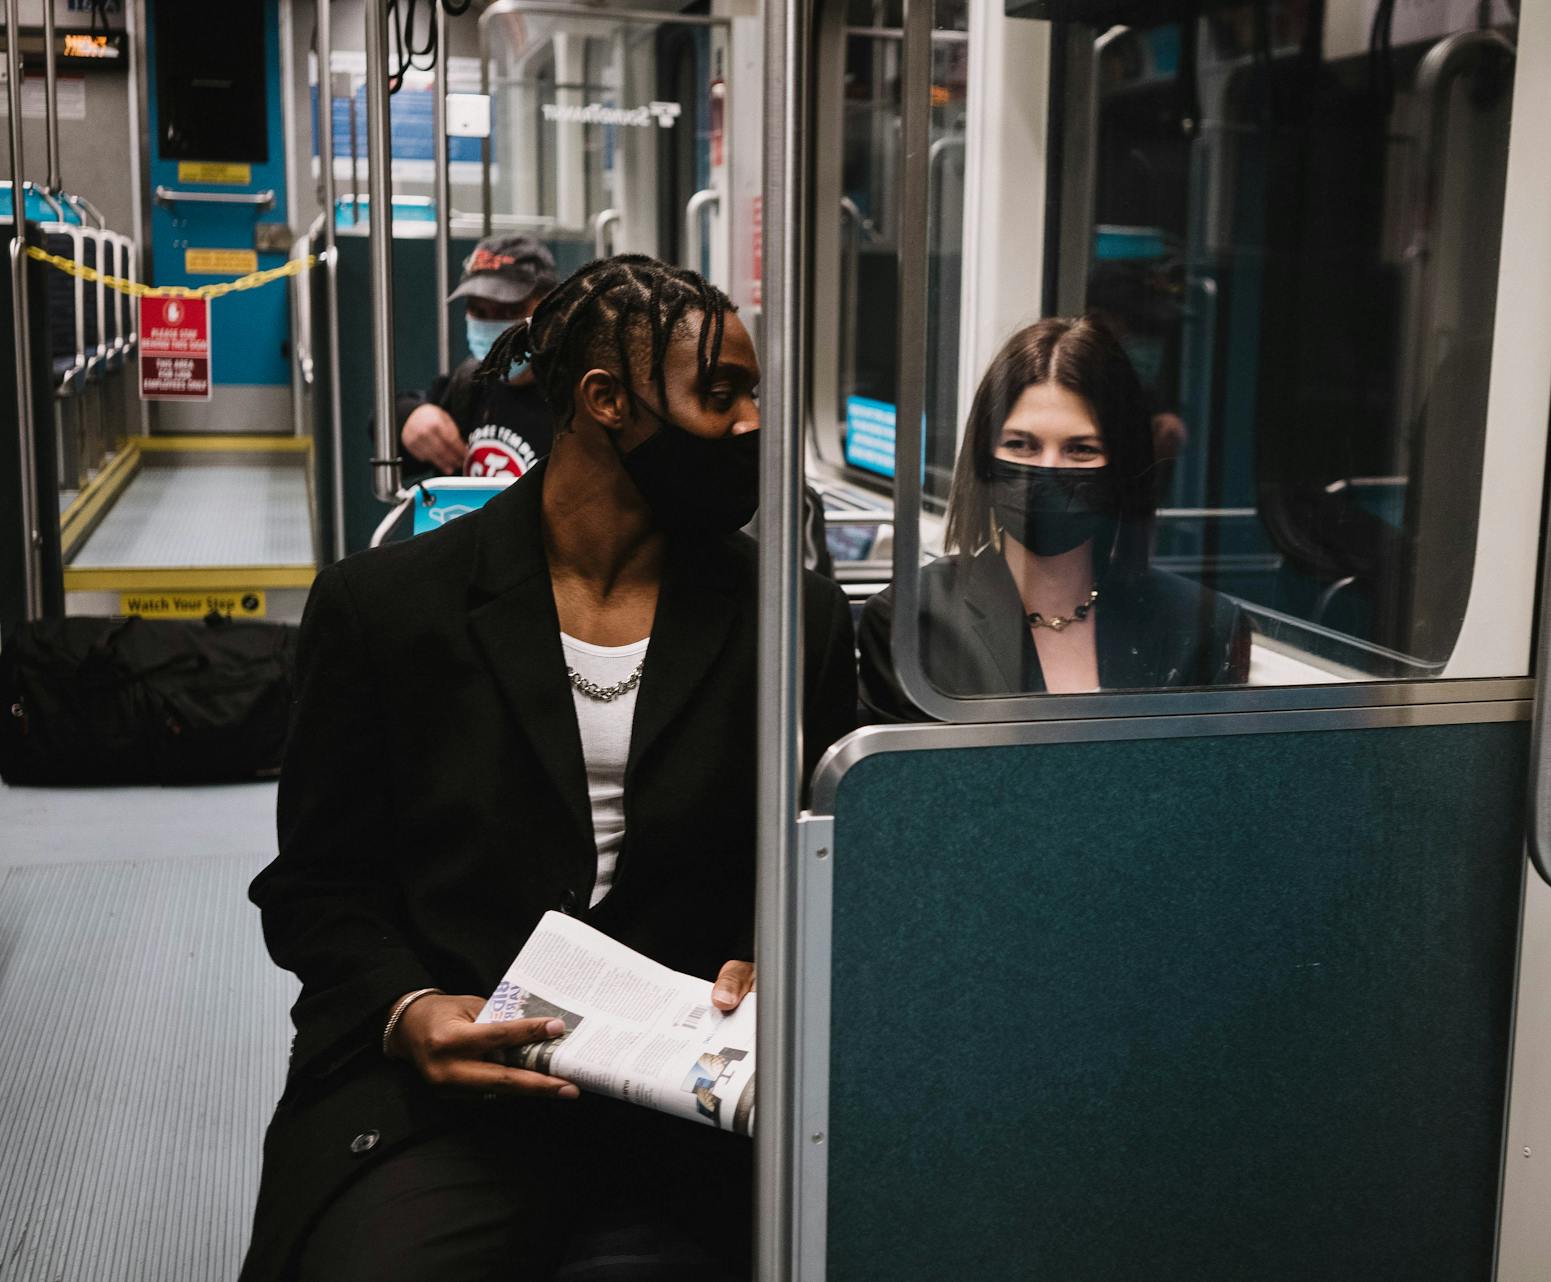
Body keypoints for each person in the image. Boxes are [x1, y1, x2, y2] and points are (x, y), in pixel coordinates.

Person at [243, 255, 857, 1279]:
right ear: (605, 401)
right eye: (719, 395)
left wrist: (769, 953)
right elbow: (318, 887)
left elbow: (825, 862)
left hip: (691, 1088)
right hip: (457, 1081)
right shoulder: (387, 610)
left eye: (756, 393)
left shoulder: (792, 621)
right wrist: (408, 1012)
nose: (753, 423)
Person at [858, 316, 1250, 719]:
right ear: (984, 459)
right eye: (1021, 445)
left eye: (1080, 449)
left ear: (1124, 466)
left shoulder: (1201, 626)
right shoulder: (911, 621)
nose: (1047, 471)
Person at [396, 234, 561, 480]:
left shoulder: (572, 399)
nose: (491, 322)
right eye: (478, 309)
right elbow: (385, 424)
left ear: (550, 308)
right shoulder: (471, 385)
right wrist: (409, 416)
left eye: (510, 310)